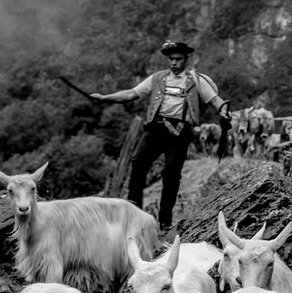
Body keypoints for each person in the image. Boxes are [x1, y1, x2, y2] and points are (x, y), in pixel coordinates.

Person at [91, 40, 230, 231]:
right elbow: (132, 93)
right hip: (156, 129)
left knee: (172, 175)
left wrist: (223, 110)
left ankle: (165, 221)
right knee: (138, 162)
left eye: (178, 59)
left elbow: (216, 100)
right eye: (171, 59)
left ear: (186, 60)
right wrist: (106, 98)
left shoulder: (196, 81)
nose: (174, 63)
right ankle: (134, 214)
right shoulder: (157, 78)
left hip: (180, 133)